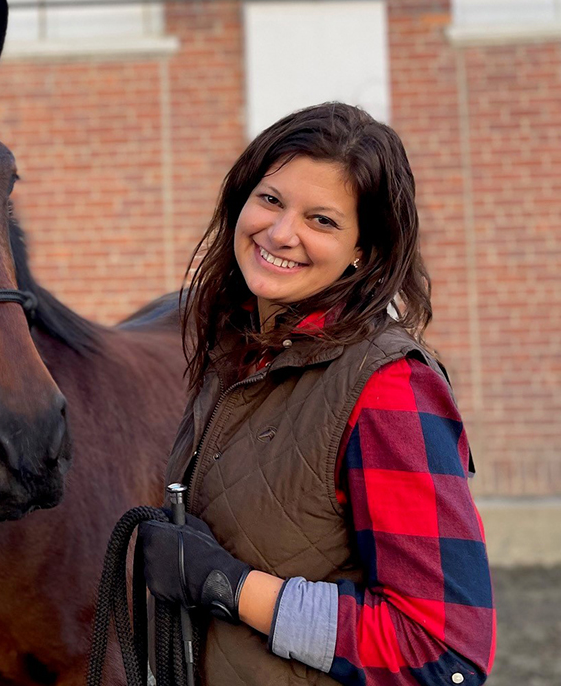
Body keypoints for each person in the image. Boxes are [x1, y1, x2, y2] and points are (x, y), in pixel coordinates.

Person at [138, 103, 495, 686]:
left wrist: (231, 588)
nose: (281, 233)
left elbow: (443, 653)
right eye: (272, 200)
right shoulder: (239, 356)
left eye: (323, 220)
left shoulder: (389, 386)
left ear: (364, 250)